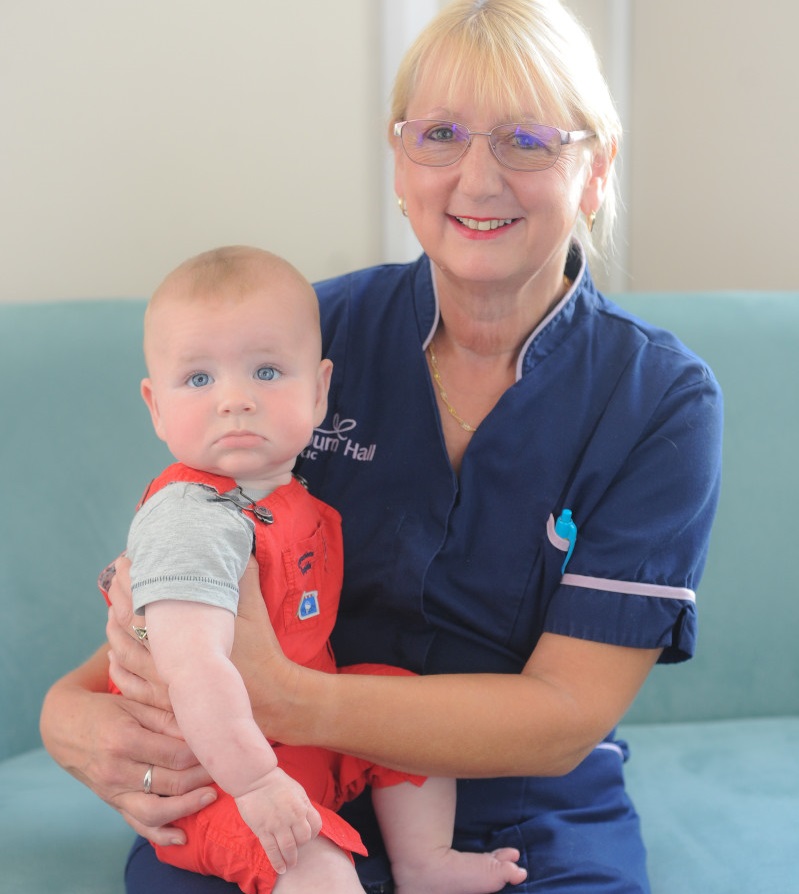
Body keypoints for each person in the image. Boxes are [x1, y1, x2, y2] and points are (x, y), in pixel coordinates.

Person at [40, 1, 724, 892]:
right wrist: (68, 713)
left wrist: (294, 697)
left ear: (594, 172)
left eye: (526, 139)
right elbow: (193, 568)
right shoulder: (297, 341)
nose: (477, 180)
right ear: (401, 166)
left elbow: (563, 714)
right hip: (272, 780)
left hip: (524, 810)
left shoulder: (657, 401)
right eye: (439, 135)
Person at [101, 245, 525, 894]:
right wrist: (257, 784)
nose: (235, 400)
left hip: (303, 737)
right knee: (312, 858)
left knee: (400, 702)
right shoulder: (193, 518)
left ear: (320, 390)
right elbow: (194, 672)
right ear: (155, 406)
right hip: (218, 779)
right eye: (199, 380)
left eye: (267, 372)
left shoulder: (292, 496)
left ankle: (422, 861)